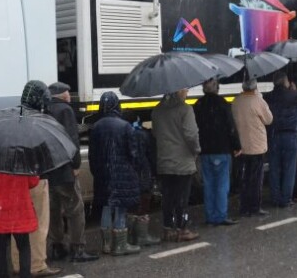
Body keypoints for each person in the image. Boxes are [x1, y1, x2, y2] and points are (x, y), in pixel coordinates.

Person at [11, 80, 61, 277]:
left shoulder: (13, 117)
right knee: (38, 224)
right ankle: (37, 264)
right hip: (36, 178)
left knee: (17, 226)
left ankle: (18, 263)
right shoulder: (39, 120)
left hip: (15, 178)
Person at [45, 82, 98, 263]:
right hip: (64, 169)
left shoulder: (44, 109)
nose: (69, 94)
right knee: (75, 209)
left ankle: (56, 247)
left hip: (48, 170)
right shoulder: (65, 111)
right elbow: (71, 139)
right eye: (67, 91)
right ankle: (78, 248)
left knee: (53, 210)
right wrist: (75, 164)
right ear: (61, 94)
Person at [89, 91, 143, 255]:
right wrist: (134, 169)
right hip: (122, 174)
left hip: (103, 175)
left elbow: (92, 155)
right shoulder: (125, 126)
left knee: (106, 206)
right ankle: (120, 245)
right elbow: (133, 153)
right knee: (120, 207)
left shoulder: (96, 127)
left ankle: (106, 244)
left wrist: (97, 171)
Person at [152, 89, 201, 242]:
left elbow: (155, 133)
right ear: (178, 91)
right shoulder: (185, 110)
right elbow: (191, 134)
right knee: (182, 198)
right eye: (185, 89)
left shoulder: (157, 111)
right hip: (182, 162)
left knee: (168, 197)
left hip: (164, 161)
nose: (187, 92)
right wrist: (196, 150)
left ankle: (168, 229)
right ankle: (182, 229)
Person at [193, 78, 241, 226]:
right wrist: (236, 146)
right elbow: (230, 127)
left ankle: (210, 216)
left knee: (209, 184)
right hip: (221, 149)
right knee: (221, 184)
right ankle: (220, 215)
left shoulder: (198, 105)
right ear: (217, 88)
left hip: (205, 150)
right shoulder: (223, 104)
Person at [0, 167, 39, 278]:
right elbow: (32, 182)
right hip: (19, 208)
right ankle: (25, 275)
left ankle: (3, 275)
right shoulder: (22, 159)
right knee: (23, 246)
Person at [264, 71, 297, 208]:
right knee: (290, 168)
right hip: (290, 135)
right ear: (285, 82)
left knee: (275, 168)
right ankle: (286, 199)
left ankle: (275, 198)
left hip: (273, 135)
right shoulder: (294, 95)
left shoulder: (268, 96)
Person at [231, 78, 273, 217]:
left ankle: (244, 207)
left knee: (245, 177)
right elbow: (269, 119)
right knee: (256, 178)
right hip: (257, 146)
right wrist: (259, 97)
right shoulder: (258, 101)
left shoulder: (236, 101)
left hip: (242, 146)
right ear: (255, 88)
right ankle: (255, 206)